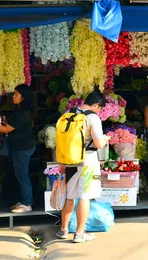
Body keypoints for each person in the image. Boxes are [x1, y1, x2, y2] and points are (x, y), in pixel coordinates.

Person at [58, 91, 109, 243]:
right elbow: (99, 143)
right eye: (100, 108)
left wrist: (62, 161)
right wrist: (105, 139)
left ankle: (63, 230)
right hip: (88, 160)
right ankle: (80, 233)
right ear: (95, 105)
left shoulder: (69, 113)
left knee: (70, 195)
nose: (99, 111)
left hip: (70, 159)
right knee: (85, 196)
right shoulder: (93, 117)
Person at [0, 84, 37, 213]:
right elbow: (12, 126)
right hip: (22, 146)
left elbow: (7, 129)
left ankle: (27, 203)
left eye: (16, 94)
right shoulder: (20, 110)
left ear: (23, 97)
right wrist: (4, 121)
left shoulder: (22, 113)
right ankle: (24, 201)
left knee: (22, 175)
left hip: (23, 147)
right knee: (20, 174)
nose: (13, 96)